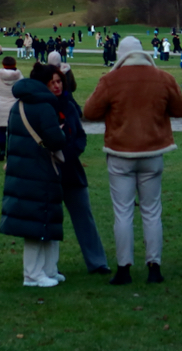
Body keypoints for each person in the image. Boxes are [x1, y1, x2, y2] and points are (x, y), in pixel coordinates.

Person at [83, 37, 182, 285]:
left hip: (121, 153)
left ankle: (124, 268)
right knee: (152, 212)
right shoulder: (163, 78)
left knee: (123, 213)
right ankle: (154, 266)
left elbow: (89, 111)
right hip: (153, 152)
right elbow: (181, 109)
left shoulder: (111, 80)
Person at [0, 63, 68, 287]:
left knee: (43, 220)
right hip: (40, 168)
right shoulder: (44, 107)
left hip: (23, 168)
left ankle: (47, 269)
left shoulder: (17, 105)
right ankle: (32, 274)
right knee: (37, 224)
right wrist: (61, 132)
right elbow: (55, 140)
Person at [44, 58, 110, 275]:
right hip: (49, 171)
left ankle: (97, 262)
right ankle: (46, 267)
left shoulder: (70, 105)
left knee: (84, 217)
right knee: (48, 219)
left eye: (59, 81)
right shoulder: (41, 108)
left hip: (71, 169)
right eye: (52, 82)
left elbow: (80, 137)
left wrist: (69, 153)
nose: (57, 85)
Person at [0, 57, 23, 162]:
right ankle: (10, 152)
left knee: (0, 130)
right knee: (12, 132)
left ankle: (2, 150)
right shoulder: (19, 77)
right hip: (14, 106)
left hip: (1, 104)